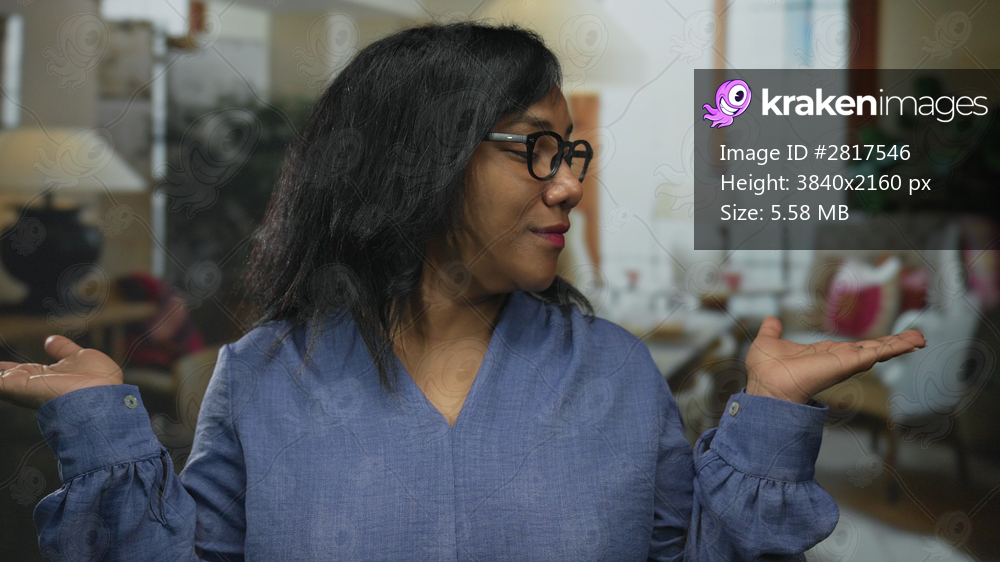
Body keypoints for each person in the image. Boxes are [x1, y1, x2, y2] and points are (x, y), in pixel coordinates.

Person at [0, 22, 925, 561]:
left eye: (572, 153)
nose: (570, 184)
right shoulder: (261, 377)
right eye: (537, 150)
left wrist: (767, 419)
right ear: (420, 160)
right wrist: (104, 430)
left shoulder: (617, 372)